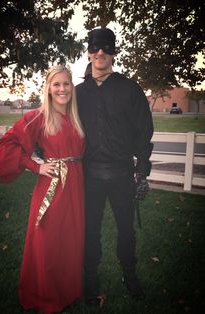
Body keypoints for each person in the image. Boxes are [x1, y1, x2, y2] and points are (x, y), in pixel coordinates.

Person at [0, 65, 85, 314]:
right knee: (49, 243)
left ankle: (68, 292)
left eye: (66, 83)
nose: (62, 89)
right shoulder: (38, 116)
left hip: (76, 188)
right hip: (52, 187)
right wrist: (35, 167)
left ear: (72, 87)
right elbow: (9, 142)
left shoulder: (77, 116)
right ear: (48, 88)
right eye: (56, 84)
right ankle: (45, 297)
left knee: (70, 241)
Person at [76, 28, 154, 306]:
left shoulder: (130, 89)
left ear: (113, 53)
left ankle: (129, 274)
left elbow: (144, 132)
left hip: (122, 174)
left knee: (126, 230)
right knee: (90, 231)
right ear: (88, 52)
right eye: (96, 47)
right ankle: (90, 277)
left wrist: (142, 172)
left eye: (106, 47)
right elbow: (55, 121)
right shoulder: (77, 93)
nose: (101, 52)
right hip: (89, 176)